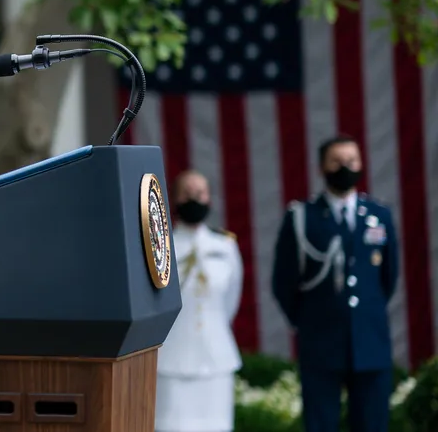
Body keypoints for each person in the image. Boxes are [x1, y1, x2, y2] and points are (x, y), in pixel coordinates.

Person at [272, 134, 399, 432]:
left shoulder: (379, 215)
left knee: (371, 424)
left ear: (361, 164)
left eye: (351, 161)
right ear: (322, 168)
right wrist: (307, 320)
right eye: (337, 162)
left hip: (370, 343)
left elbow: (388, 279)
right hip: (320, 343)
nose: (345, 167)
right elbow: (284, 282)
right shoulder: (302, 217)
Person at [154, 170, 243, 432]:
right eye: (187, 193)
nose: (194, 199)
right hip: (171, 357)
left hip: (216, 357)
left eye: (200, 193)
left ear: (210, 198)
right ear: (175, 198)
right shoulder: (162, 245)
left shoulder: (225, 245)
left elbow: (230, 300)